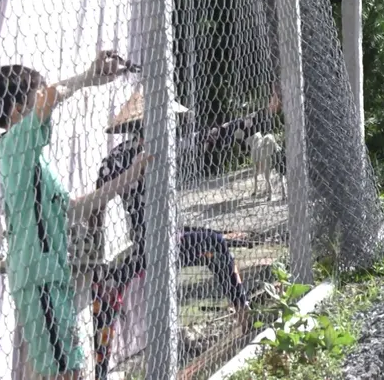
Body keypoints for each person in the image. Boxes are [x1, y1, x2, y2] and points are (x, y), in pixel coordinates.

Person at [0, 53, 148, 379]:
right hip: (40, 278)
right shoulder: (15, 144)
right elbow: (52, 96)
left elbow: (74, 208)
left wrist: (130, 175)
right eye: (36, 97)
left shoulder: (34, 160)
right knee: (69, 372)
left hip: (50, 277)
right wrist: (88, 76)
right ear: (17, 111)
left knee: (56, 369)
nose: (46, 107)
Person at [90, 88, 278, 378]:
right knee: (214, 244)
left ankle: (100, 369)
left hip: (151, 240)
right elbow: (222, 135)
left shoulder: (123, 157)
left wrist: (96, 249)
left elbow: (97, 209)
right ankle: (245, 317)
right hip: (154, 241)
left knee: (211, 243)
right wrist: (265, 114)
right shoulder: (140, 155)